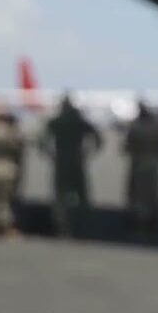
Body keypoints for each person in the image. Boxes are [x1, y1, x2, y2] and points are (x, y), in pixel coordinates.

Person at [42, 95, 103, 236]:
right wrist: (88, 153)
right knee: (81, 196)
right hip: (76, 162)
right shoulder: (79, 122)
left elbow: (42, 142)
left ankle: (63, 226)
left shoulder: (57, 122)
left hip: (62, 162)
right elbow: (98, 138)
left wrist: (51, 155)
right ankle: (83, 226)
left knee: (61, 196)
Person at [123, 103, 158, 232]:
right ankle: (155, 219)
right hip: (154, 162)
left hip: (139, 163)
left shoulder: (135, 128)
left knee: (139, 193)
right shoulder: (157, 127)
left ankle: (141, 220)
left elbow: (127, 146)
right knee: (153, 193)